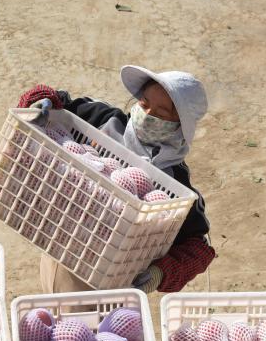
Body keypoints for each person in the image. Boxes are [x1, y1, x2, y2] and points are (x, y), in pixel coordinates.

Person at [17, 65, 215, 294]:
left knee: (77, 318)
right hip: (58, 245)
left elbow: (199, 248)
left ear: (180, 126)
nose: (148, 114)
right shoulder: (106, 121)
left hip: (108, 282)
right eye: (144, 103)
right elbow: (58, 101)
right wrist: (39, 102)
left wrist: (161, 273)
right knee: (51, 308)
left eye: (161, 114)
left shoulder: (175, 183)